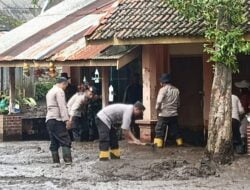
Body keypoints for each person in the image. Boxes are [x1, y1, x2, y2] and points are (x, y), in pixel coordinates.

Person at [45, 77, 72, 164]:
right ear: (63, 84)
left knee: (54, 142)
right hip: (57, 119)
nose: (66, 88)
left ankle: (55, 162)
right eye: (66, 86)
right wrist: (66, 120)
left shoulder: (50, 91)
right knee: (65, 140)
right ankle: (68, 162)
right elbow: (62, 106)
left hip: (49, 119)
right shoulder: (59, 91)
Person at [153, 73, 183, 148]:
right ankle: (180, 143)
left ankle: (158, 145)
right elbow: (178, 103)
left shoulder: (163, 90)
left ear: (162, 82)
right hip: (174, 114)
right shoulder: (176, 90)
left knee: (159, 129)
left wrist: (157, 108)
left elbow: (159, 101)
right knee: (175, 129)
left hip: (164, 114)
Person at [123, 73, 143, 138]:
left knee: (137, 122)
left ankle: (137, 135)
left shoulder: (141, 88)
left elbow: (143, 97)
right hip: (130, 107)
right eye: (135, 79)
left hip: (138, 107)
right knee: (131, 123)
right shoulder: (129, 88)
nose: (136, 80)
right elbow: (125, 99)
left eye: (137, 79)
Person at [235, 80, 250, 153]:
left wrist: (240, 117)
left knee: (242, 132)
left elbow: (244, 109)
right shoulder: (247, 96)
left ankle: (242, 149)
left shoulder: (244, 97)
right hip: (246, 115)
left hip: (246, 115)